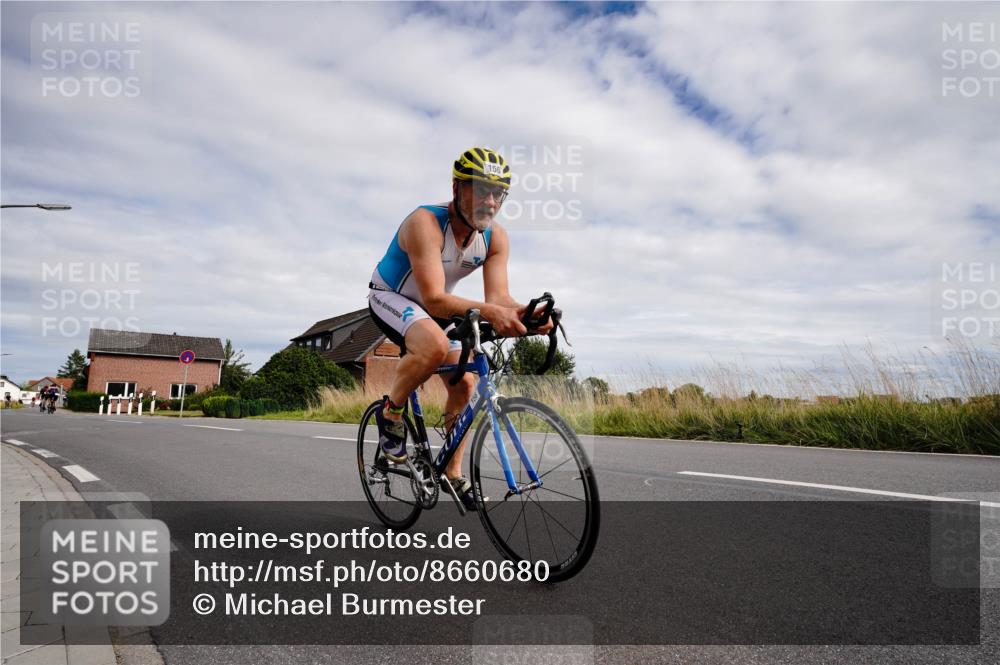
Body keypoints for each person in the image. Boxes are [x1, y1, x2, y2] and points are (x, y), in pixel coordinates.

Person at [367, 147, 552, 509]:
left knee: (466, 382)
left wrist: (529, 314)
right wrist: (490, 313)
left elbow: (498, 297)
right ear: (457, 188)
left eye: (498, 193)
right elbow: (435, 298)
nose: (490, 201)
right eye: (481, 189)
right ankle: (390, 413)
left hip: (433, 310)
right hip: (391, 297)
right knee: (434, 346)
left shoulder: (495, 238)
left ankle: (452, 472)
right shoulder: (426, 222)